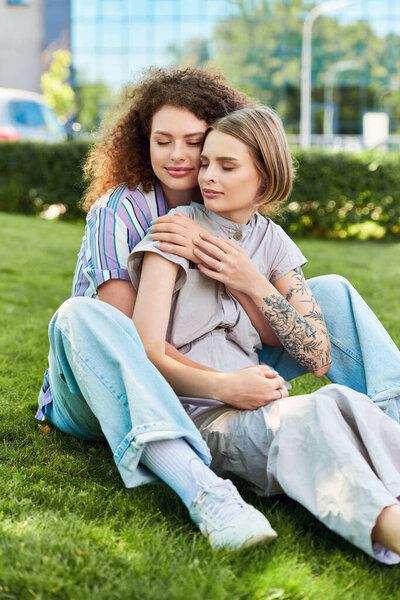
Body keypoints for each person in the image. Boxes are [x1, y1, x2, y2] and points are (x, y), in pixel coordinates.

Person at [128, 105, 400, 563]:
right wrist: (227, 387)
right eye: (207, 162)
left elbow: (317, 358)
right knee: (307, 419)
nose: (207, 175)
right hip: (201, 417)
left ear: (265, 178)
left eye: (227, 166)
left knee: (344, 401)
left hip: (260, 398)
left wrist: (250, 280)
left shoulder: (271, 242)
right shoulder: (176, 233)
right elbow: (143, 351)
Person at [37, 68, 284, 550]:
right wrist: (224, 386)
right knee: (80, 316)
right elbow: (130, 343)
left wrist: (254, 288)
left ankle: (388, 416)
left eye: (193, 142)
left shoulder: (223, 205)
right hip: (102, 386)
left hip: (199, 375)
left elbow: (261, 320)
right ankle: (208, 495)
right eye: (162, 140)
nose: (177, 156)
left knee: (329, 292)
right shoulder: (119, 210)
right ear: (142, 141)